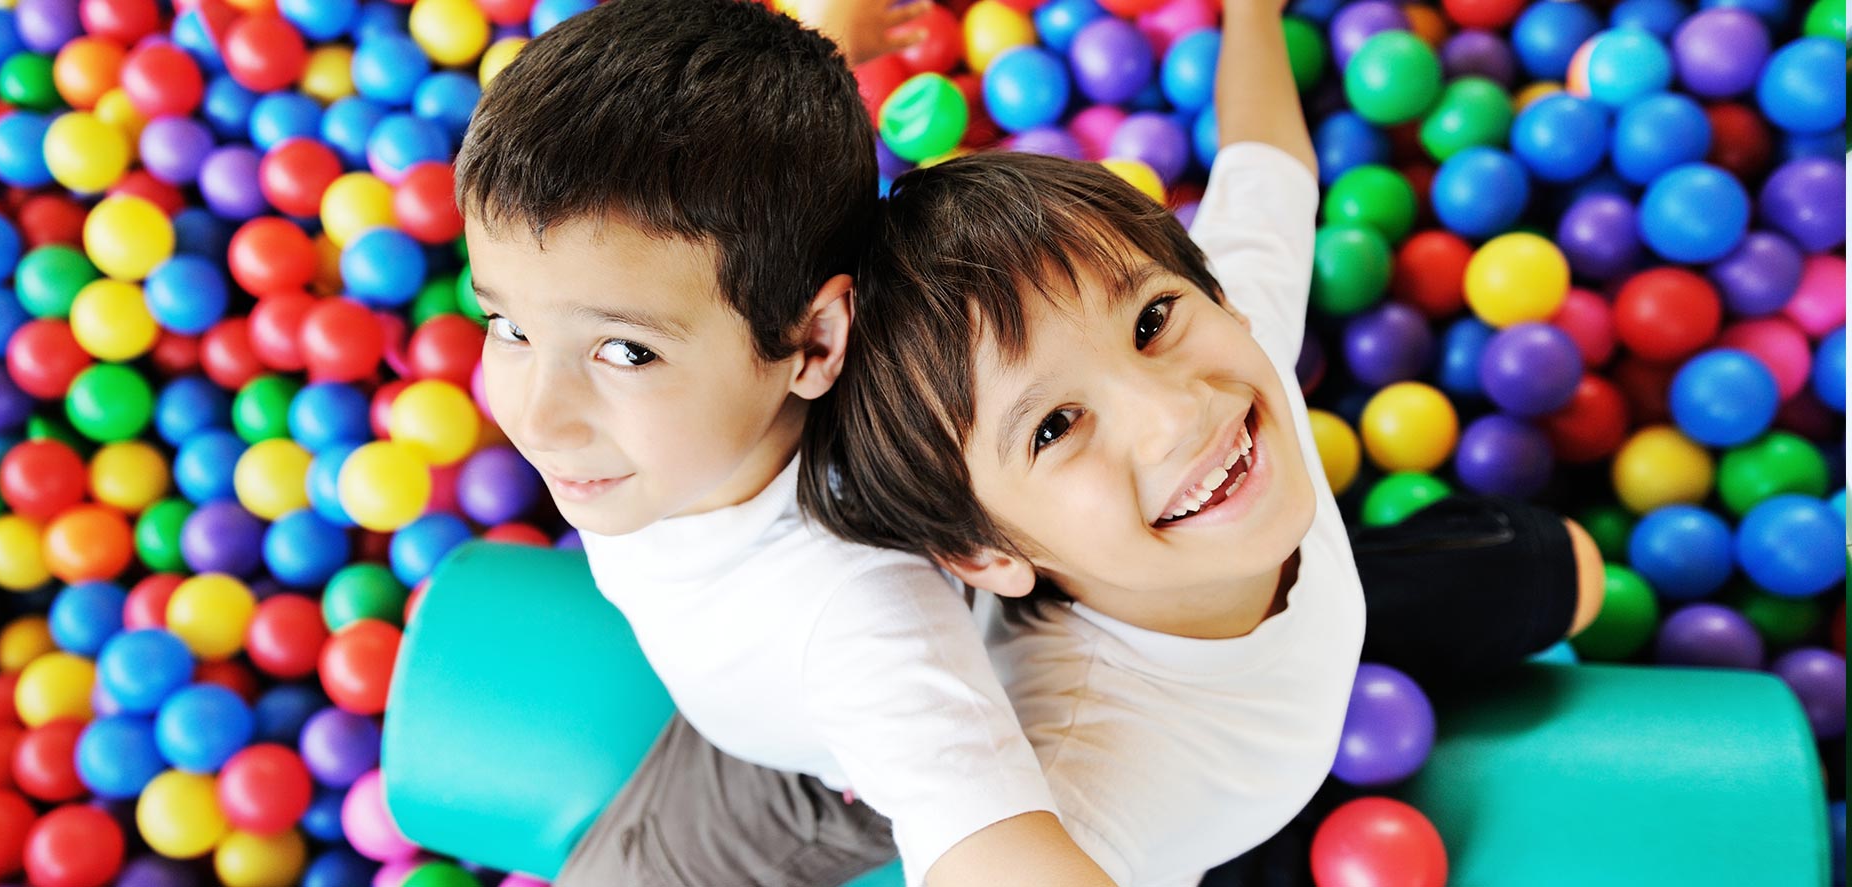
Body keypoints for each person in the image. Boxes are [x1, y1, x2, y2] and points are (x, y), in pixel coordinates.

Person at [797, 0, 1604, 883]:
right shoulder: (1088, 783)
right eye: (1055, 426)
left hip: (1287, 585)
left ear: (1219, 299)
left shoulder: (1229, 355)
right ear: (986, 555)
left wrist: (1251, 14)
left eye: (1149, 321)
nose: (1175, 412)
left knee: (1570, 567)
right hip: (1222, 822)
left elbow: (1268, 166)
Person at [453, 1, 1115, 885]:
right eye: (508, 325)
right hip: (734, 678)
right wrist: (831, 39)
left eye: (627, 351)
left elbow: (983, 823)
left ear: (814, 344)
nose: (537, 419)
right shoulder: (681, 400)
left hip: (813, 781)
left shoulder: (857, 612)